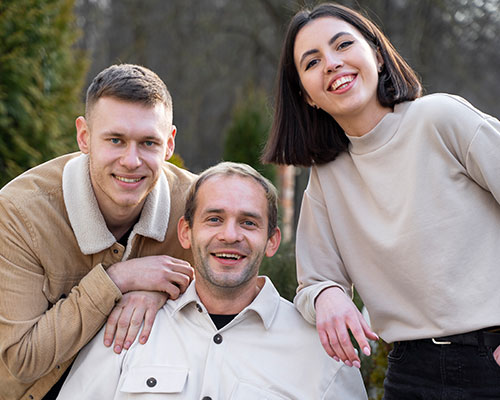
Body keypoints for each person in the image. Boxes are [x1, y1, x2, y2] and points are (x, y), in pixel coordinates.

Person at [262, 2, 500, 399]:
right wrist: (327, 295)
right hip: (409, 374)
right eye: (312, 62)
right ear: (306, 96)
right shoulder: (327, 177)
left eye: (343, 45)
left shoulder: (441, 119)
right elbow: (313, 283)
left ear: (376, 54)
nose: (332, 64)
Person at [56, 162, 368, 400]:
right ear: (186, 233)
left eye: (248, 222)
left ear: (272, 241)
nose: (230, 235)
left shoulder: (321, 351)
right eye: (214, 219)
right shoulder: (129, 327)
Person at [0, 64, 196, 400]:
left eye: (148, 142)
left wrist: (165, 293)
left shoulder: (198, 207)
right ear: (84, 137)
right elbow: (22, 358)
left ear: (169, 144)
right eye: (116, 140)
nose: (131, 160)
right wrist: (118, 280)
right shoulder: (19, 212)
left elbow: (227, 297)